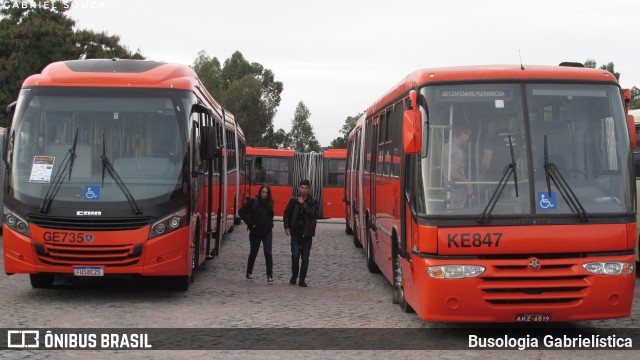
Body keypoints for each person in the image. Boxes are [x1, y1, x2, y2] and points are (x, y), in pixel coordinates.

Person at [283, 179, 319, 287]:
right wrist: (287, 227)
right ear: (299, 188)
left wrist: (303, 204)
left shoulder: (313, 201)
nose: (304, 190)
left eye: (306, 188)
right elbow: (286, 214)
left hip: (307, 234)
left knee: (305, 258)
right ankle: (294, 275)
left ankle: (302, 279)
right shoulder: (293, 200)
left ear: (309, 189)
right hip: (295, 233)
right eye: (302, 188)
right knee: (295, 255)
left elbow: (313, 214)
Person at [239, 184, 275, 283]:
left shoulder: (271, 202)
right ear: (260, 192)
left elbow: (271, 215)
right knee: (253, 252)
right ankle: (249, 272)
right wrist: (251, 224)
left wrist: (270, 224)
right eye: (263, 192)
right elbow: (241, 212)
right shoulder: (253, 201)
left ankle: (269, 275)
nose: (264, 194)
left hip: (267, 231)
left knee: (268, 252)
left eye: (266, 192)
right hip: (255, 231)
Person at [443, 124, 473, 208]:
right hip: (456, 189)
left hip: (448, 186)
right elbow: (453, 172)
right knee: (456, 212)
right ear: (462, 134)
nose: (468, 138)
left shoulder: (446, 147)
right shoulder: (457, 152)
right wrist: (467, 181)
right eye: (468, 135)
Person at [481, 115, 519, 180]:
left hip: (496, 177)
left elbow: (486, 163)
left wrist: (484, 174)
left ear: (495, 125)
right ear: (508, 124)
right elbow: (530, 152)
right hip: (515, 176)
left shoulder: (491, 139)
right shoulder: (518, 138)